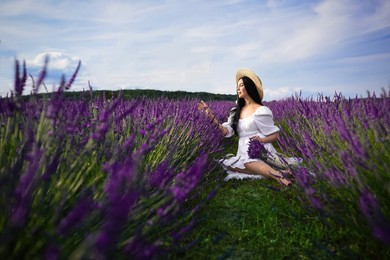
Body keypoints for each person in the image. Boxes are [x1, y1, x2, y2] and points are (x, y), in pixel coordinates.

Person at [198, 68, 292, 186]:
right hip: (243, 150)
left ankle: (279, 177)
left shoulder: (261, 110)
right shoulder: (235, 111)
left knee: (248, 163)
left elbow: (275, 135)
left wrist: (262, 140)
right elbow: (226, 132)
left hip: (260, 148)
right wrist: (210, 116)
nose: (238, 88)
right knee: (229, 165)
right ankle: (280, 171)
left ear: (250, 87)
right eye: (237, 86)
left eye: (241, 85)